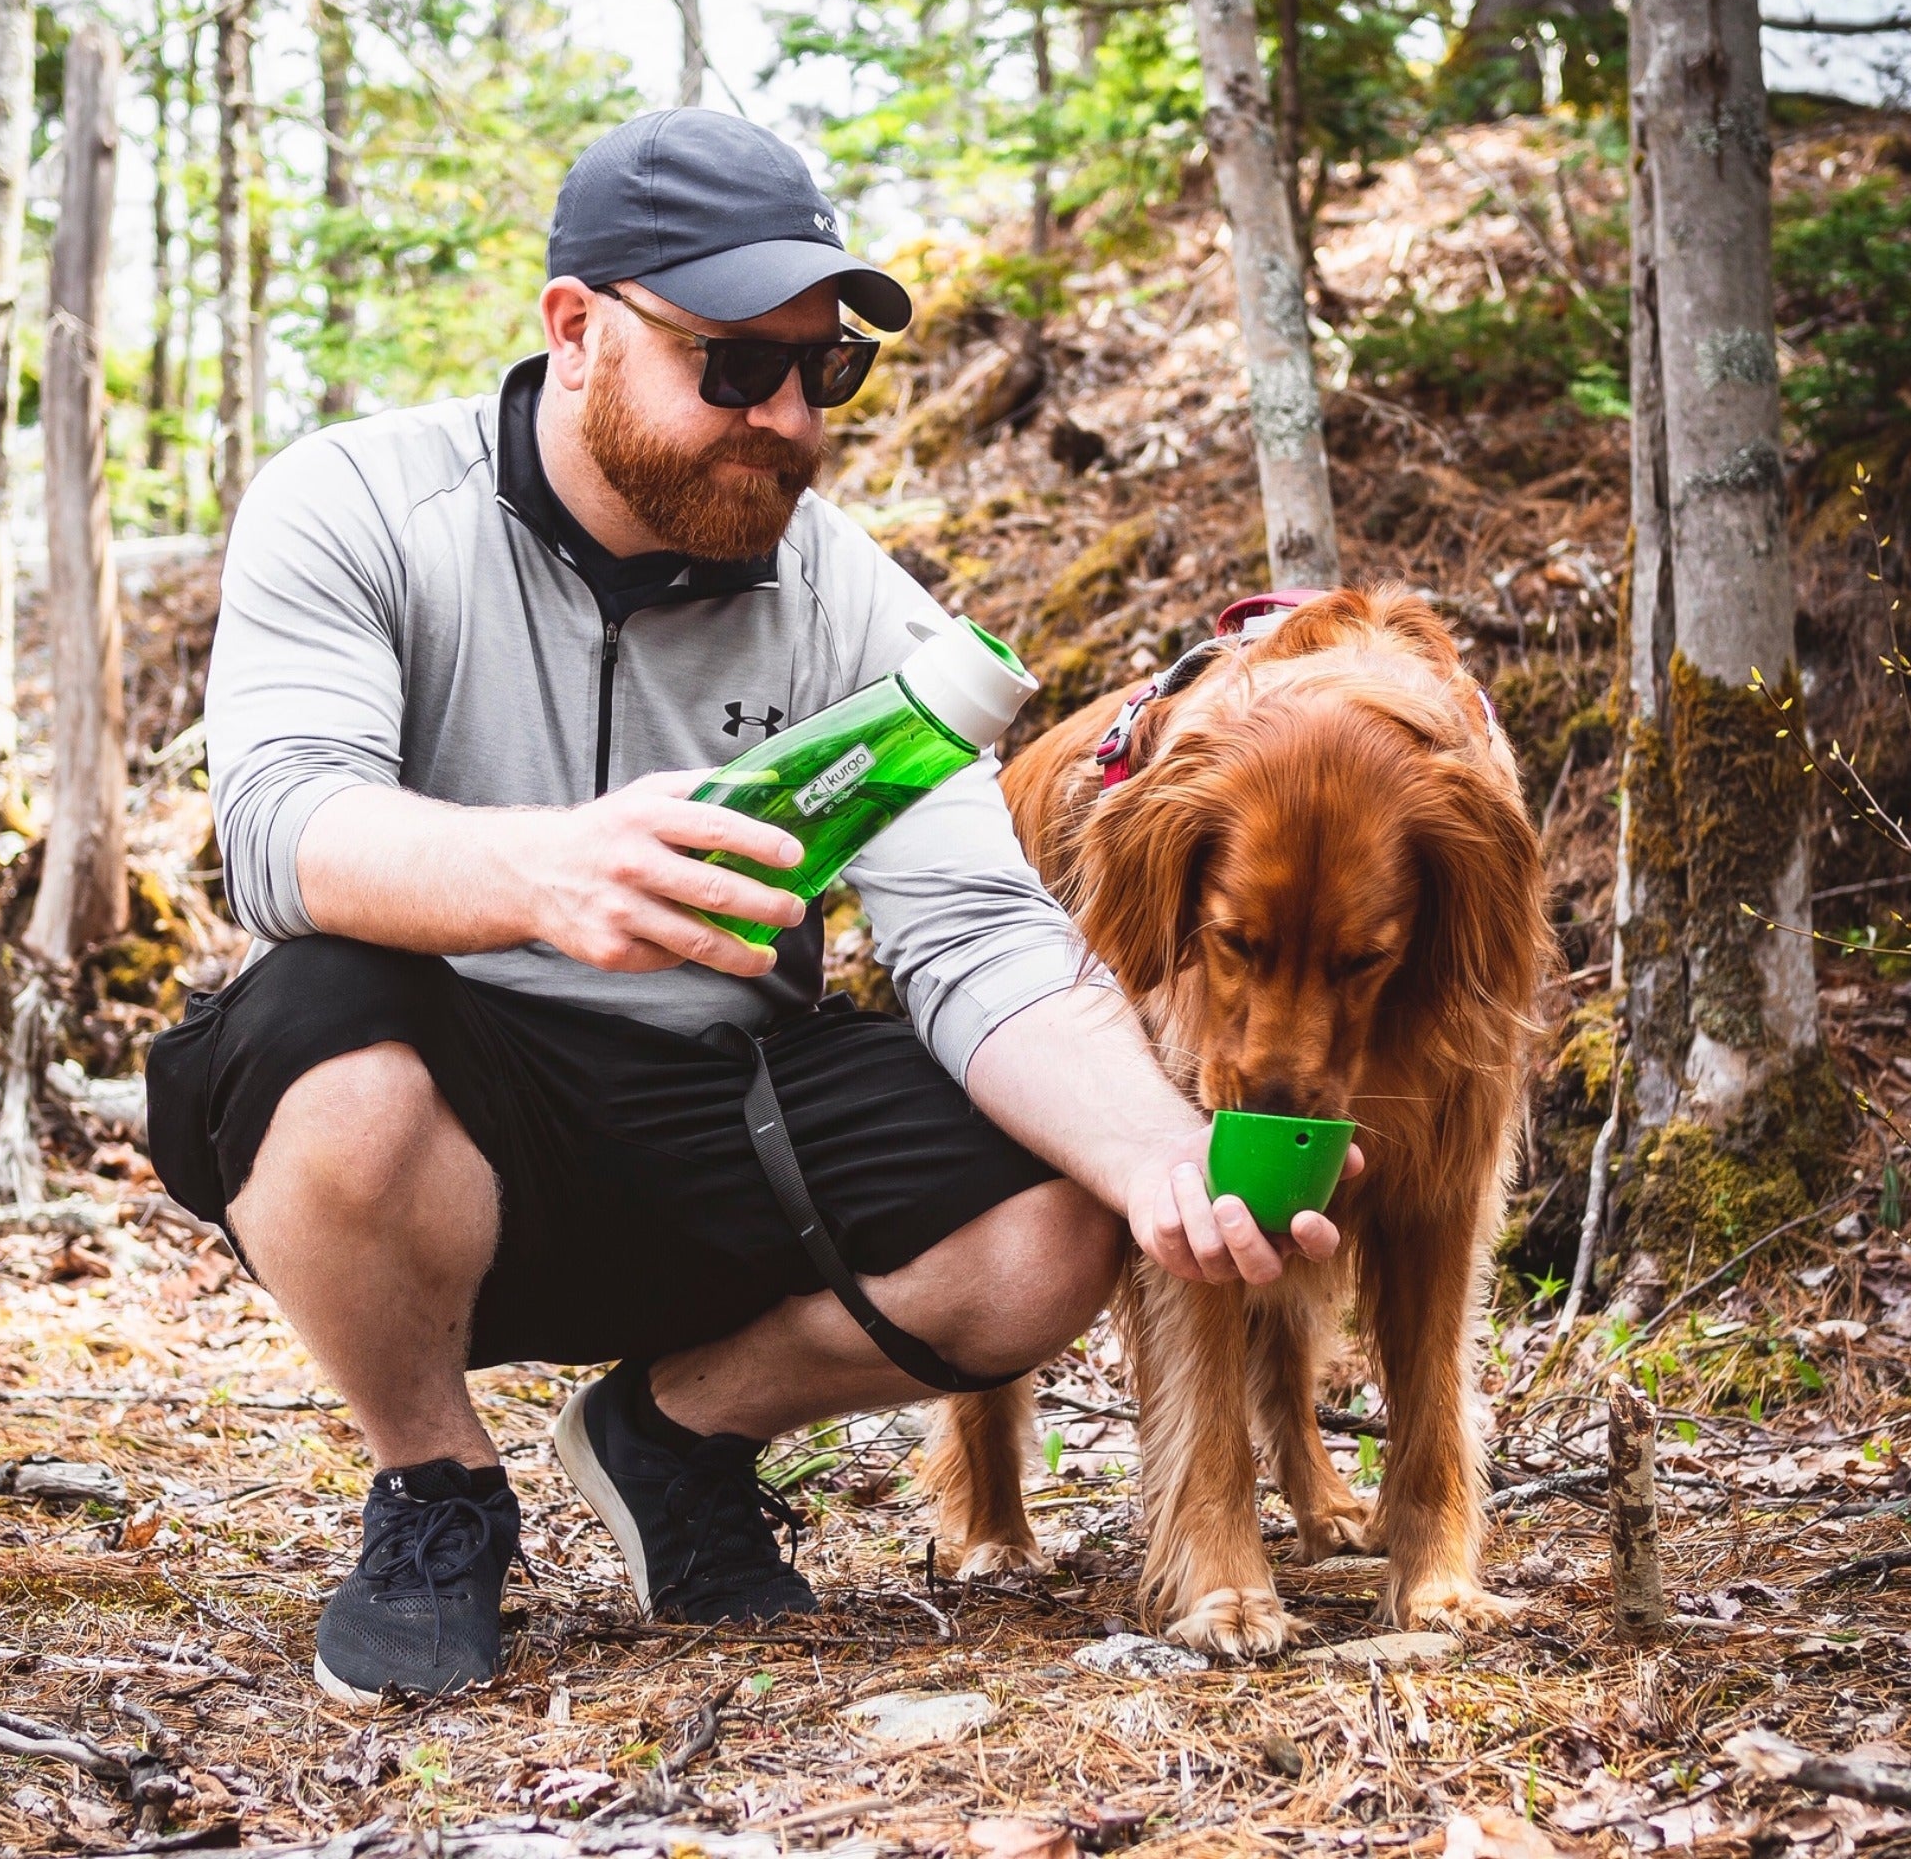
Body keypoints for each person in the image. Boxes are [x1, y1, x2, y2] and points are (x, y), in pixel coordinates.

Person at [145, 108, 1361, 1708]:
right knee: (307, 1032)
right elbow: (282, 825)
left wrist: (1151, 1163)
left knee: (1056, 1211)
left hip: (724, 1112)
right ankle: (438, 1489)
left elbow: (977, 935)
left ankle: (674, 1437)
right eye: (735, 366)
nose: (788, 417)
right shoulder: (362, 504)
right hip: (437, 1101)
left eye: (825, 371)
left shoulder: (844, 593)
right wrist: (544, 869)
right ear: (578, 331)